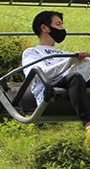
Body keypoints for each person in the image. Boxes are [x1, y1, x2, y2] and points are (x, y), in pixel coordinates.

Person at [23, 11, 90, 147]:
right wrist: (70, 62)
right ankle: (88, 125)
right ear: (44, 28)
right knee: (75, 77)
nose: (62, 28)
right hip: (49, 85)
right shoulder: (32, 52)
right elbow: (40, 74)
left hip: (69, 81)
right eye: (58, 24)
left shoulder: (64, 53)